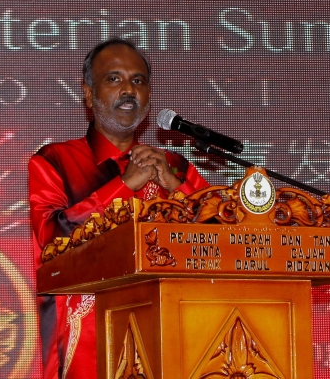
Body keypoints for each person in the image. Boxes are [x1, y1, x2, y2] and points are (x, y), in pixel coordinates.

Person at [28, 38, 209, 379]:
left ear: (149, 96)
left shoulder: (174, 166)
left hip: (174, 337)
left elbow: (221, 240)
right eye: (114, 79)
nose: (129, 89)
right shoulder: (55, 161)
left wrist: (176, 187)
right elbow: (52, 239)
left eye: (138, 81)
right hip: (88, 344)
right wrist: (124, 186)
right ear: (88, 93)